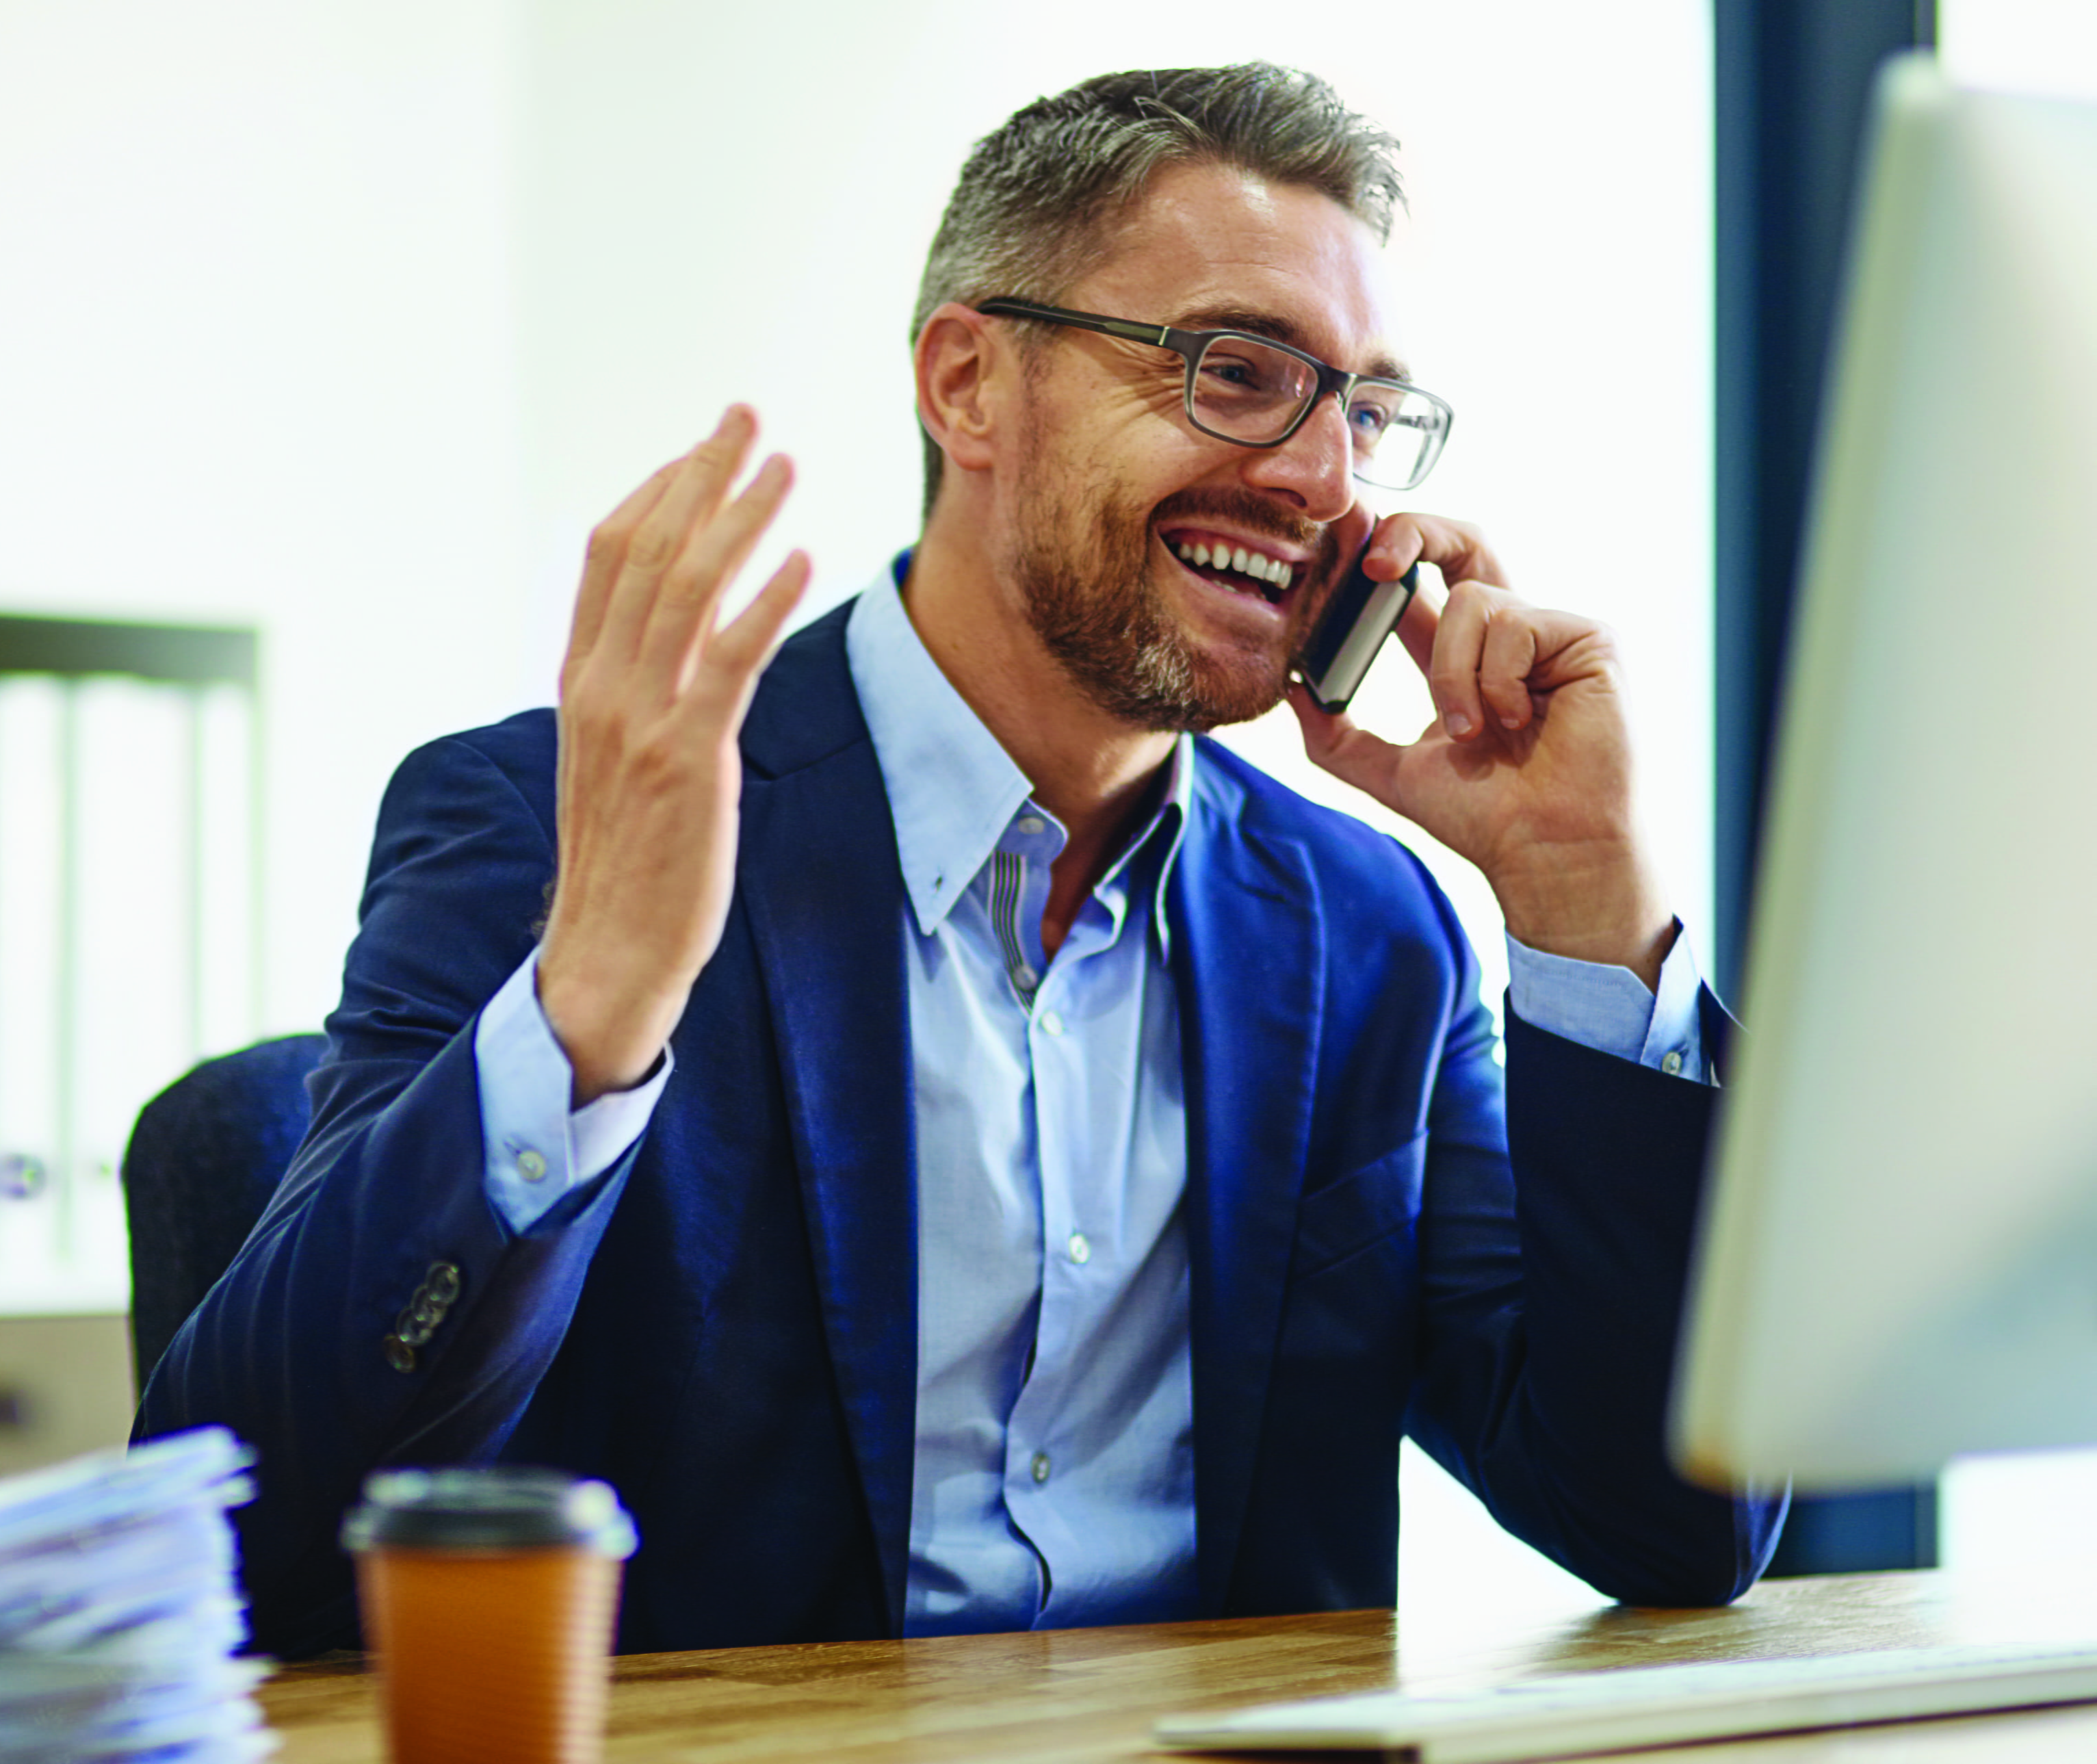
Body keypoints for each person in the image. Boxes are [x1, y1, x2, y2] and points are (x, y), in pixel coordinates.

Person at [139, 63, 1783, 1659]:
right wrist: (587, 1013)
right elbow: (242, 1528)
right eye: (1234, 369)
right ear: (964, 384)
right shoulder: (558, 823)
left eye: (1359, 409)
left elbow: (1669, 1526)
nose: (1317, 480)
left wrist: (1585, 905)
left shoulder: (1371, 936)